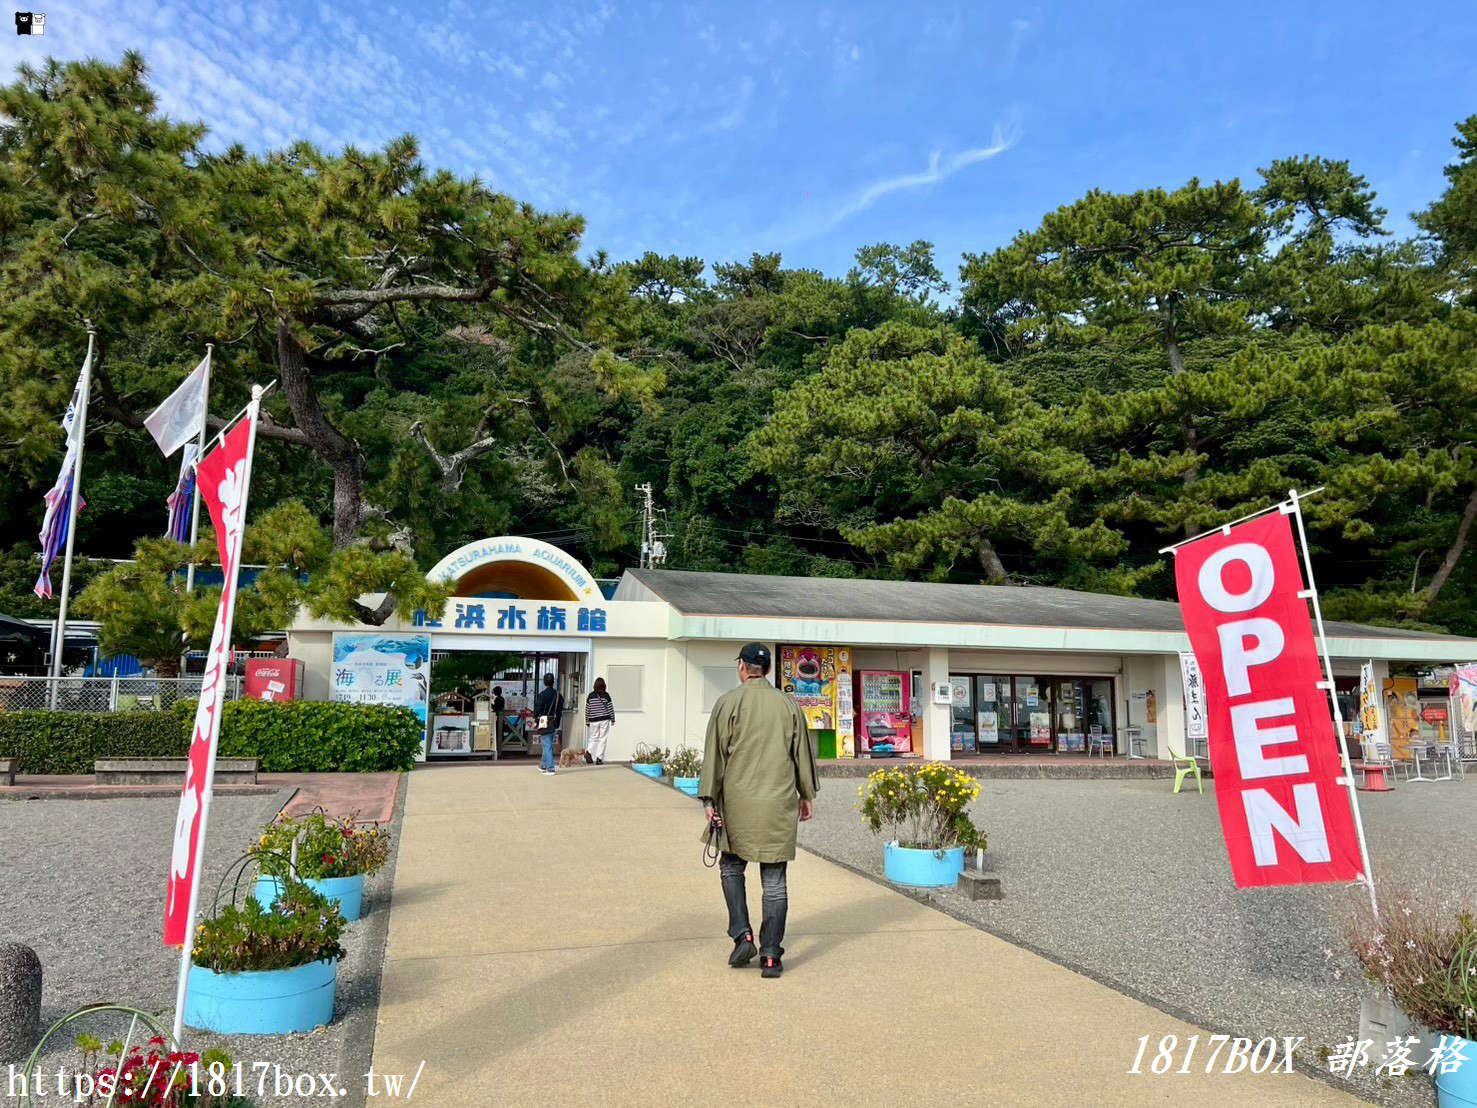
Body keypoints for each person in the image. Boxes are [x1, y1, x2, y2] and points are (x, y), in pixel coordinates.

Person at [698, 642, 818, 979]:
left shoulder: (728, 703)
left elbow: (715, 755)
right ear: (765, 669)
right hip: (778, 803)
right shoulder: (787, 704)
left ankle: (742, 934)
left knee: (731, 866)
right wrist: (805, 794)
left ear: (742, 667)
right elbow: (802, 754)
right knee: (775, 881)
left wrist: (708, 800)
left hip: (737, 803)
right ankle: (770, 956)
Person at [535, 673, 564, 775]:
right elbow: (560, 711)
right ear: (553, 682)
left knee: (547, 744)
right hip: (554, 721)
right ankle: (543, 765)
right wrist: (557, 722)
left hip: (544, 721)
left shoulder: (542, 694)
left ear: (544, 682)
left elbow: (538, 709)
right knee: (547, 744)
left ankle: (550, 768)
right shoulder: (558, 695)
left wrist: (535, 719)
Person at [584, 677, 614, 764]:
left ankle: (589, 752)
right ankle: (599, 758)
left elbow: (587, 709)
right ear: (604, 685)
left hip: (593, 720)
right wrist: (612, 719)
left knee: (593, 738)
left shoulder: (590, 696)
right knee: (602, 739)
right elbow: (610, 708)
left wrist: (587, 720)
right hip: (604, 719)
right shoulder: (606, 695)